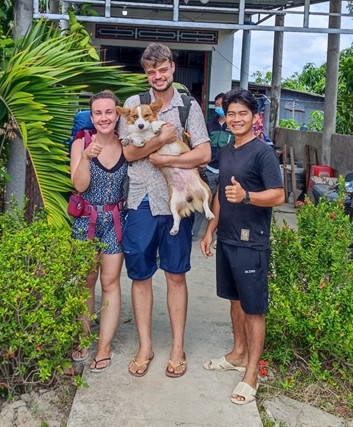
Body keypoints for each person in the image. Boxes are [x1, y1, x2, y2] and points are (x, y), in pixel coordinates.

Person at [119, 43, 211, 379]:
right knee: (140, 276)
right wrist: (159, 141)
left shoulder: (189, 107)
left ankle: (177, 348)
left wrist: (165, 159)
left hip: (180, 203)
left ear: (172, 68)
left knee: (175, 274)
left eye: (163, 69)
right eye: (151, 71)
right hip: (141, 200)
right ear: (146, 74)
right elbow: (128, 154)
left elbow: (203, 154)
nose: (158, 76)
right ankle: (145, 347)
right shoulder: (133, 105)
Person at [199, 88, 285, 405]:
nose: (235, 119)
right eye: (230, 113)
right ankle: (237, 353)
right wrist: (210, 230)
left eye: (242, 114)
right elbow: (222, 193)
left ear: (254, 118)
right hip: (228, 237)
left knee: (253, 308)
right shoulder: (228, 150)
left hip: (252, 241)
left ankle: (251, 373)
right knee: (235, 300)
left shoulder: (262, 153)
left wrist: (248, 197)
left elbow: (278, 195)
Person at [69, 90, 127, 372]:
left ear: (117, 114)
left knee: (111, 283)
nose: (104, 118)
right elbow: (79, 186)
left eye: (109, 112)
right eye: (98, 113)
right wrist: (87, 158)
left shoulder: (126, 144)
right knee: (85, 282)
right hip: (86, 221)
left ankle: (104, 347)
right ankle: (82, 338)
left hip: (114, 221)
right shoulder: (82, 142)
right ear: (91, 117)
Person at [193, 92, 233, 239]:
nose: (218, 108)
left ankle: (222, 234)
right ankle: (193, 232)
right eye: (216, 105)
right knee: (202, 199)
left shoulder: (233, 125)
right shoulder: (209, 124)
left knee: (225, 203)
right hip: (209, 169)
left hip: (227, 170)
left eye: (221, 105)